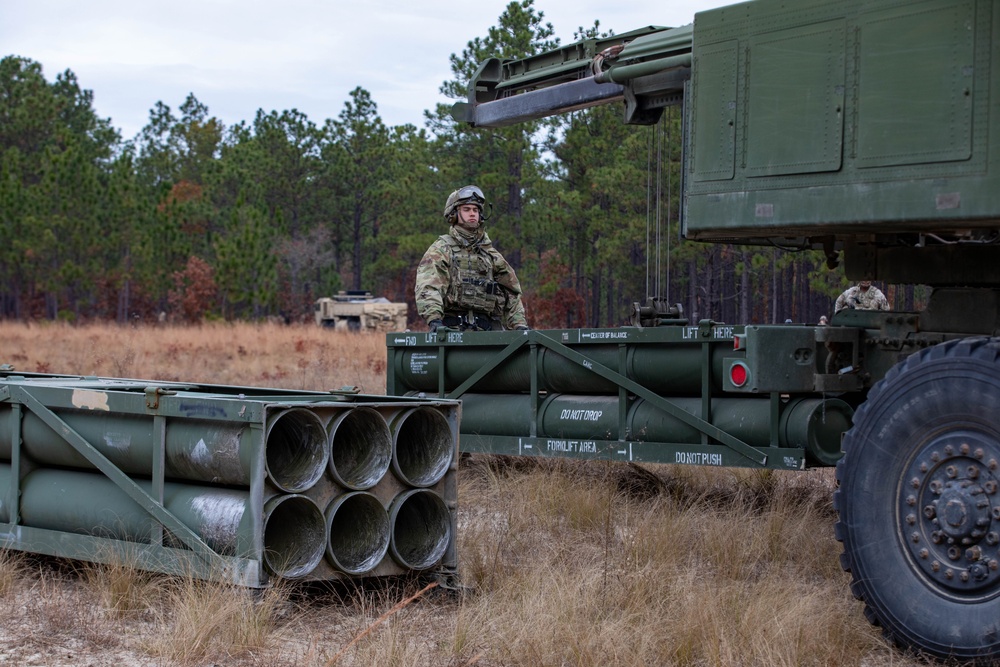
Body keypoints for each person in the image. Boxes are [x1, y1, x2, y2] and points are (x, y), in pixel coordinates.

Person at [415, 185, 529, 331]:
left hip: (487, 334)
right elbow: (428, 287)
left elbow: (511, 293)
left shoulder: (490, 254)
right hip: (452, 332)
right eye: (466, 209)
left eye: (476, 210)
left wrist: (519, 325)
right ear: (454, 214)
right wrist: (434, 321)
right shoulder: (442, 249)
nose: (472, 214)